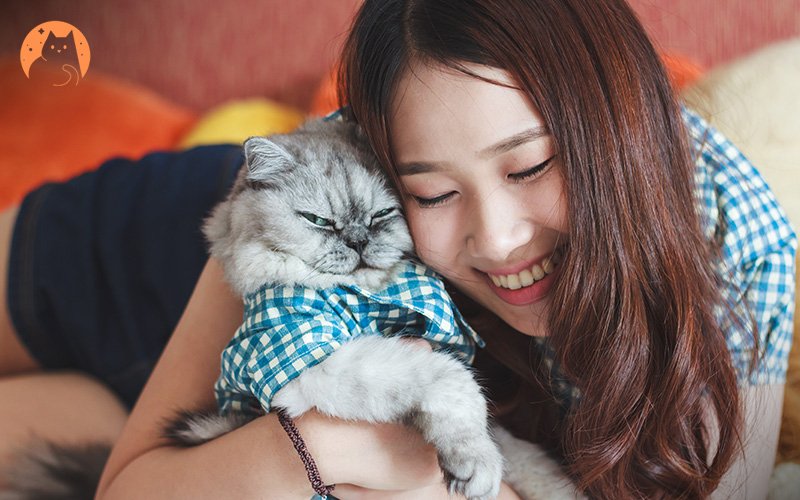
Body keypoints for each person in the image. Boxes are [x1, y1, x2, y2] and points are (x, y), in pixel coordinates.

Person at [0, 0, 795, 498]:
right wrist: (331, 443)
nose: (499, 237)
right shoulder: (319, 172)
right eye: (432, 193)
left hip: (213, 413)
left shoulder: (736, 248)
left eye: (531, 165)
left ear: (613, 132)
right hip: (160, 255)